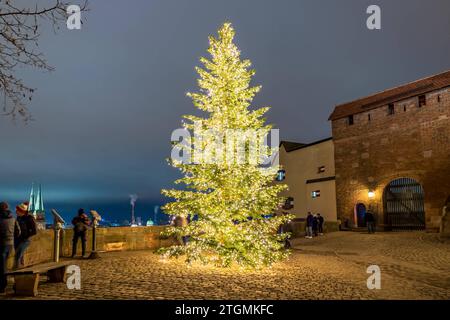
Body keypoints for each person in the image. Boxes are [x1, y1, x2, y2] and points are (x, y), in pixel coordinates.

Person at [0, 202, 20, 294]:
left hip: (2, 244)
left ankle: (2, 286)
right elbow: (18, 232)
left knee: (2, 267)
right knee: (5, 265)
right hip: (10, 245)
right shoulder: (13, 218)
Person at [14, 202, 37, 269]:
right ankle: (20, 268)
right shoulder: (18, 218)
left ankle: (17, 269)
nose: (16, 211)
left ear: (22, 211)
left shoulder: (29, 218)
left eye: (17, 210)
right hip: (17, 240)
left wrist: (26, 235)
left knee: (18, 255)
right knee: (19, 255)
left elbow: (34, 231)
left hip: (25, 240)